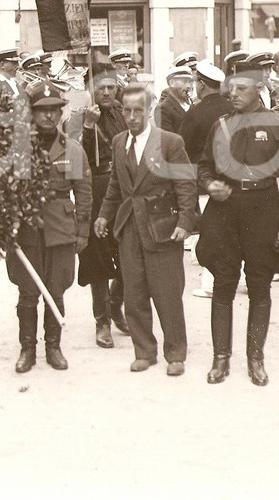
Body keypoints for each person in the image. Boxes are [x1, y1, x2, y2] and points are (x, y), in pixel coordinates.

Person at [196, 59, 279, 386]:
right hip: (225, 211)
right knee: (223, 284)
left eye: (241, 89)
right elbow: (203, 167)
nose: (233, 95)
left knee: (259, 286)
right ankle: (221, 358)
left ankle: (255, 358)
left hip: (264, 209)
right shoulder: (220, 126)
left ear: (259, 88)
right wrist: (208, 185)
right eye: (230, 89)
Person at [95, 83, 197, 375]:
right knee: (134, 293)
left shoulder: (170, 142)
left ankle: (175, 353)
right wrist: (104, 215)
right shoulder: (118, 142)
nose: (131, 117)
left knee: (167, 292)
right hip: (130, 228)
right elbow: (116, 184)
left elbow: (185, 184)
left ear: (150, 110)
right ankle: (144, 351)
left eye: (138, 111)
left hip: (162, 226)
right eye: (126, 111)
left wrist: (184, 222)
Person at [10, 81, 91, 373]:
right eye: (41, 111)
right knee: (28, 292)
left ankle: (53, 347)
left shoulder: (73, 149)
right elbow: (4, 189)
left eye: (53, 111)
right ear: (31, 114)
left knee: (55, 290)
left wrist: (82, 231)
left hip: (60, 228)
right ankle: (27, 349)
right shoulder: (17, 148)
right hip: (27, 230)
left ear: (60, 114)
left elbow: (83, 191)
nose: (48, 117)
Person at [78, 72, 128, 348]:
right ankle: (102, 322)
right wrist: (88, 126)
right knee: (97, 259)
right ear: (89, 89)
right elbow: (76, 156)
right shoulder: (78, 115)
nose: (107, 92)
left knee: (128, 252)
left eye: (111, 87)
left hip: (122, 187)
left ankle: (115, 304)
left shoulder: (122, 112)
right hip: (96, 188)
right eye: (101, 88)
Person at [179, 60, 233, 300]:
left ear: (201, 84)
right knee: (232, 230)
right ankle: (232, 278)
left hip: (204, 182)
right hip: (234, 179)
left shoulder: (195, 113)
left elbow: (182, 148)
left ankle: (211, 282)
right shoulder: (233, 108)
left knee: (211, 234)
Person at [156, 66, 194, 133]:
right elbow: (169, 139)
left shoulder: (192, 104)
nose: (188, 86)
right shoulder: (163, 108)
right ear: (172, 83)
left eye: (190, 82)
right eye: (184, 81)